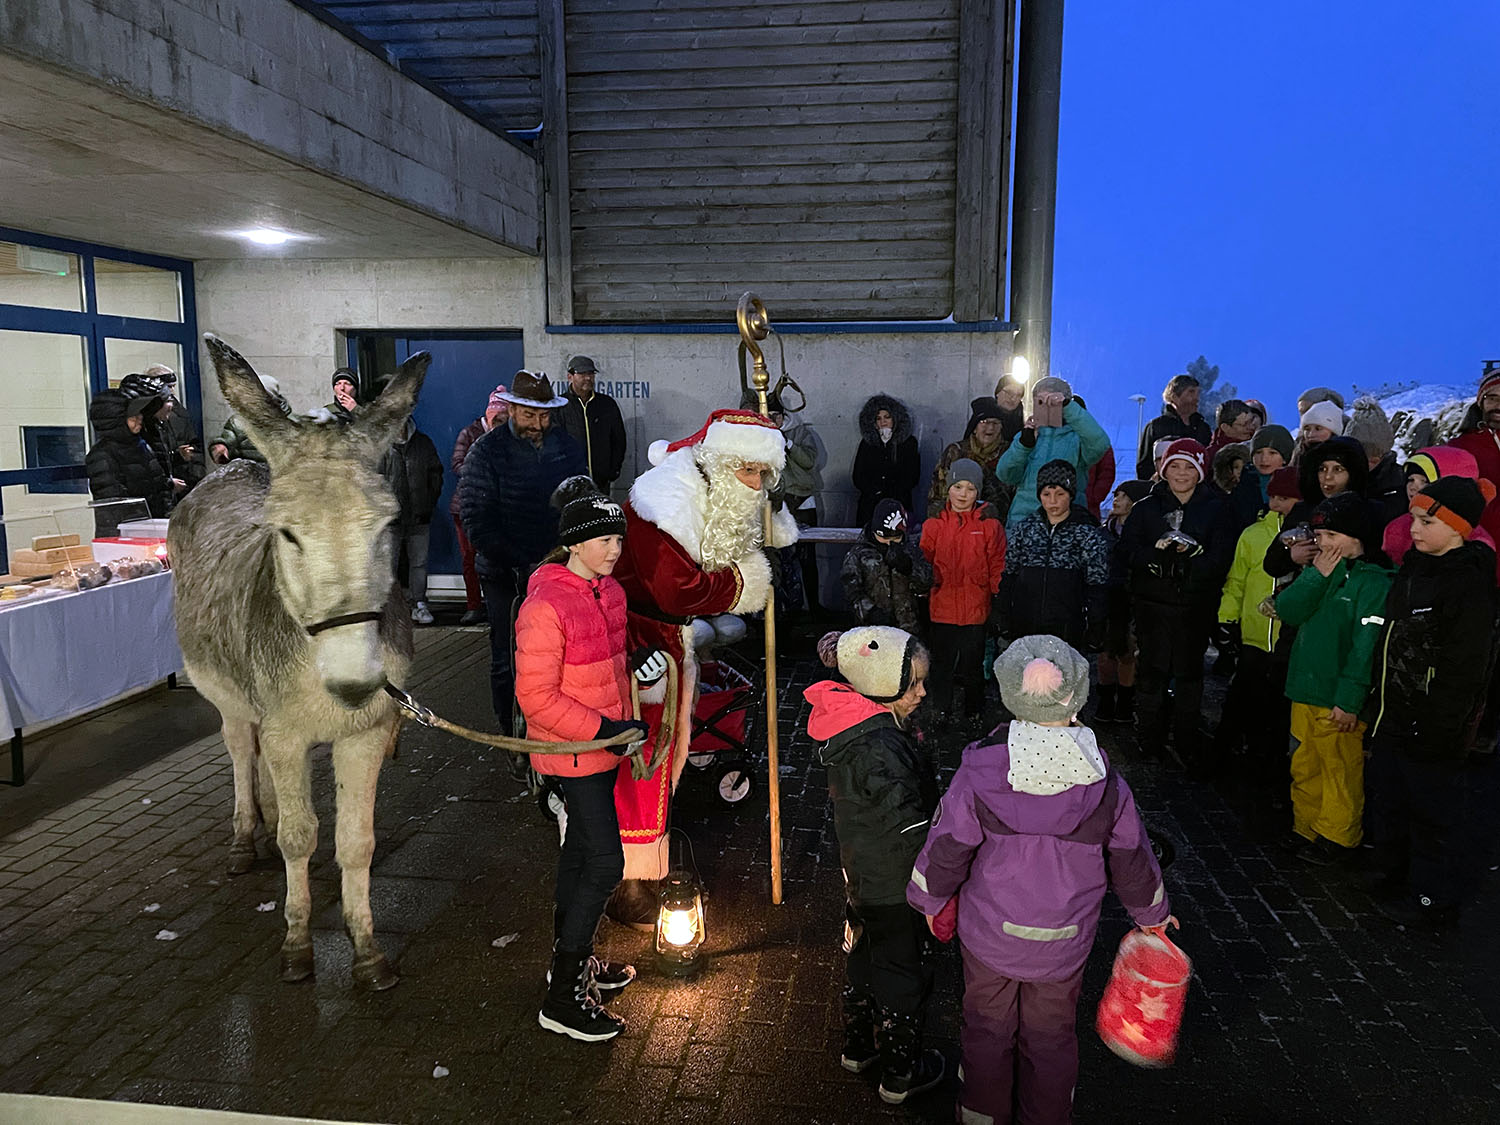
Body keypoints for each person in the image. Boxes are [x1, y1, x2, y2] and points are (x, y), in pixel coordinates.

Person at [907, 634, 1172, 1125]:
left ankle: (981, 1115)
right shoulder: (1106, 782)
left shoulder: (982, 770)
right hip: (1063, 944)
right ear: (1077, 695)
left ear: (1010, 694)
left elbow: (948, 844)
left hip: (990, 939)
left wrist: (929, 897)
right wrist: (1152, 914)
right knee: (1051, 1038)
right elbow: (1132, 855)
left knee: (986, 1030)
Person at [607, 409, 799, 924]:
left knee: (662, 755)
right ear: (721, 461)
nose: (757, 486)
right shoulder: (667, 502)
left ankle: (648, 863)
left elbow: (725, 539)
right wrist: (745, 583)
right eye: (749, 473)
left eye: (764, 476)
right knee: (643, 759)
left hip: (667, 637)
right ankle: (631, 882)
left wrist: (765, 536)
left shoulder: (710, 481)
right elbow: (679, 587)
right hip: (639, 643)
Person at [515, 483, 648, 1041]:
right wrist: (606, 731)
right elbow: (536, 697)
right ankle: (563, 997)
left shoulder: (607, 591)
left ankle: (570, 967)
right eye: (601, 539)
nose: (614, 548)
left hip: (603, 750)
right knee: (604, 866)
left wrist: (633, 690)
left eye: (617, 537)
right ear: (573, 544)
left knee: (577, 860)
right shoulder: (546, 604)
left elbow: (608, 665)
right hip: (574, 754)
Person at [804, 627, 941, 1106]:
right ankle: (900, 1071)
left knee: (863, 952)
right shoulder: (880, 746)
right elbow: (906, 823)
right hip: (894, 879)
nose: (921, 693)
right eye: (912, 684)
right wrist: (938, 869)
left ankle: (858, 1045)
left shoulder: (854, 721)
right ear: (883, 685)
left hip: (861, 871)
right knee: (902, 968)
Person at [1364, 478, 1497, 929]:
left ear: (1457, 528)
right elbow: (1389, 641)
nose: (1414, 528)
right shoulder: (1414, 568)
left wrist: (1440, 722)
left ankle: (1432, 895)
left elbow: (1465, 665)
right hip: (1394, 710)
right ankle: (1393, 873)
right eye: (1415, 518)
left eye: (1427, 520)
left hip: (1433, 719)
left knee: (1431, 811)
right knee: (1391, 797)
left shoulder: (1467, 582)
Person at [459, 371, 588, 733]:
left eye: (545, 416)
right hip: (505, 573)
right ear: (513, 409)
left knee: (561, 653)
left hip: (558, 569)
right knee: (507, 656)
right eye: (530, 415)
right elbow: (476, 519)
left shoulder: (566, 445)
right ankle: (512, 731)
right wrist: (517, 560)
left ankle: (557, 723)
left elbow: (582, 496)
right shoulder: (485, 452)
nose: (538, 424)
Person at [1275, 492, 1394, 865]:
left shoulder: (1374, 582)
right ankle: (1306, 825)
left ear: (1357, 537)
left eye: (1332, 537)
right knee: (1304, 763)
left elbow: (1365, 648)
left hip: (1337, 698)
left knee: (1339, 769)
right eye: (1320, 537)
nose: (1323, 544)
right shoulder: (1322, 572)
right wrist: (1316, 575)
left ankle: (1338, 836)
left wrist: (1350, 698)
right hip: (1305, 689)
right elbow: (1289, 610)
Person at [1116, 439, 1236, 771]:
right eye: (1174, 466)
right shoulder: (1146, 507)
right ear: (1163, 469)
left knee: (1188, 674)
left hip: (1194, 606)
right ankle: (1149, 739)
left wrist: (1192, 564)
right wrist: (1153, 559)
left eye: (1188, 467)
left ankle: (1186, 740)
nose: (1181, 473)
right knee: (1151, 672)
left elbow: (1222, 557)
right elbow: (1127, 550)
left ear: (1200, 471)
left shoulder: (1216, 509)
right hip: (1152, 604)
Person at [1216, 467, 1301, 800]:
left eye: (1287, 498)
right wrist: (1227, 618)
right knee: (1239, 702)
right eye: (1275, 497)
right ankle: (1226, 761)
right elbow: (1236, 581)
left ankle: (1268, 770)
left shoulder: (1309, 537)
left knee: (1277, 710)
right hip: (1253, 637)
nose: (1279, 504)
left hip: (1286, 641)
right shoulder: (1253, 534)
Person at [921, 459, 1006, 728]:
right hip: (942, 607)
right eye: (958, 486)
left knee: (973, 665)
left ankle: (974, 710)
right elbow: (925, 562)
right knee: (941, 665)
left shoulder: (990, 525)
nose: (963, 494)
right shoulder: (934, 524)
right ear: (948, 488)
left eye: (970, 489)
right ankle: (941, 708)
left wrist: (998, 598)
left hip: (975, 609)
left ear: (978, 492)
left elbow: (997, 564)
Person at [996, 460, 1110, 652]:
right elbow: (1009, 576)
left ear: (1071, 495)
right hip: (1026, 625)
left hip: (1067, 629)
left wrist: (1096, 626)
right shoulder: (1024, 530)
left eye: (1060, 494)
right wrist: (1002, 615)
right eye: (1046, 494)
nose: (1053, 501)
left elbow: (1097, 585)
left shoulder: (1087, 534)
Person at [996, 376, 1111, 531]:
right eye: (1040, 402)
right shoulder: (1030, 435)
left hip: (1066, 524)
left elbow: (1100, 444)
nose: (1046, 407)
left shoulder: (1077, 438)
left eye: (1053, 402)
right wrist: (1024, 445)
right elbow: (1005, 474)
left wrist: (1068, 408)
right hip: (1024, 522)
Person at [746, 391, 824, 612]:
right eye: (769, 415)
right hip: (779, 504)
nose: (774, 420)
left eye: (777, 416)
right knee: (782, 558)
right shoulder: (760, 437)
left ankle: (815, 606)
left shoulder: (799, 433)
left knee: (808, 557)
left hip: (803, 500)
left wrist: (787, 443)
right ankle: (787, 610)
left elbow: (809, 461)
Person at [1382, 445, 1497, 570]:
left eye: (1424, 481)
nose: (1413, 487)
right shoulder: (1397, 528)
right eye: (1411, 479)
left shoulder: (1476, 542)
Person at [451, 385, 509, 626]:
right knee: (470, 557)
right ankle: (474, 605)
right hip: (466, 505)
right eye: (494, 416)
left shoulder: (509, 436)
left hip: (496, 506)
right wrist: (481, 471)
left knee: (496, 558)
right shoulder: (470, 432)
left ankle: (498, 605)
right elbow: (456, 463)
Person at [378, 415, 445, 625]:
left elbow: (436, 474)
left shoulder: (423, 443)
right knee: (390, 564)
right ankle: (390, 608)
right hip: (391, 520)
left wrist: (428, 503)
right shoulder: (382, 447)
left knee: (419, 563)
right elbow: (374, 481)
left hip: (419, 517)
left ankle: (419, 603)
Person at [1096, 479, 1152, 724]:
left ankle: (1125, 701)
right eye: (1116, 494)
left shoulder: (1143, 534)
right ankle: (1106, 699)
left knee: (1127, 651)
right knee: (1106, 650)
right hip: (1107, 596)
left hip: (1133, 596)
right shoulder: (1104, 531)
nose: (1116, 500)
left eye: (1123, 496)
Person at [85, 387, 171, 533]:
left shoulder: (142, 445)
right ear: (115, 421)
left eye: (140, 415)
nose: (139, 420)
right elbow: (113, 504)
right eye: (132, 417)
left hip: (151, 529)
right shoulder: (102, 455)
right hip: (123, 535)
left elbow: (161, 489)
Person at [841, 500, 932, 634]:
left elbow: (926, 584)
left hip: (908, 627)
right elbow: (851, 591)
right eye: (884, 538)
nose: (889, 544)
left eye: (895, 539)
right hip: (872, 629)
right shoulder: (859, 554)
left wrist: (909, 568)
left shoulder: (911, 550)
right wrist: (870, 611)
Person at [928, 399, 1013, 519]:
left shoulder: (1009, 453)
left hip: (995, 525)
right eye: (984, 422)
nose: (990, 427)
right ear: (974, 427)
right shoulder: (955, 451)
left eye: (995, 423)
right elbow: (937, 493)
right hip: (954, 522)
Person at [556, 355, 627, 491]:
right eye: (582, 374)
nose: (588, 378)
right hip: (570, 483)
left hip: (601, 481)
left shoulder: (606, 404)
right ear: (570, 376)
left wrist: (613, 470)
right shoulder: (560, 405)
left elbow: (618, 439)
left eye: (591, 373)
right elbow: (554, 443)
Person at [853, 394, 922, 526]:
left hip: (899, 505)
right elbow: (858, 476)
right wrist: (875, 491)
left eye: (887, 417)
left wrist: (891, 493)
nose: (883, 421)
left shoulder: (908, 443)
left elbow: (912, 476)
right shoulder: (867, 444)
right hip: (870, 507)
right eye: (878, 418)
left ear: (895, 419)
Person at [1135, 373, 1212, 480]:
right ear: (1174, 396)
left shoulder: (1203, 428)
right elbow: (1144, 466)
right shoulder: (1156, 427)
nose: (1197, 398)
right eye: (1191, 392)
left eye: (1198, 393)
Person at [210, 374, 294, 464]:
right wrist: (221, 447)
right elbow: (228, 441)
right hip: (247, 475)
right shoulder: (238, 423)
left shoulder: (291, 424)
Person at [1347, 397, 1405, 524]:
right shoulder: (1342, 479)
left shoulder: (1399, 481)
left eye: (1375, 452)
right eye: (1358, 452)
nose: (1367, 458)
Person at [1228, 424, 1293, 528]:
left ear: (1285, 458)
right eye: (1258, 452)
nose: (1264, 459)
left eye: (1272, 453)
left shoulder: (1296, 486)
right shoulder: (1241, 486)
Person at [1293, 399, 1344, 466]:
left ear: (1333, 432)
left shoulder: (1345, 459)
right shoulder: (1298, 459)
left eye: (1318, 429)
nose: (1311, 434)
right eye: (1307, 429)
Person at [993, 371, 1027, 444]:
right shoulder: (983, 413)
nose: (1013, 398)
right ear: (997, 393)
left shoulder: (1023, 424)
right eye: (1009, 392)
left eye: (1018, 395)